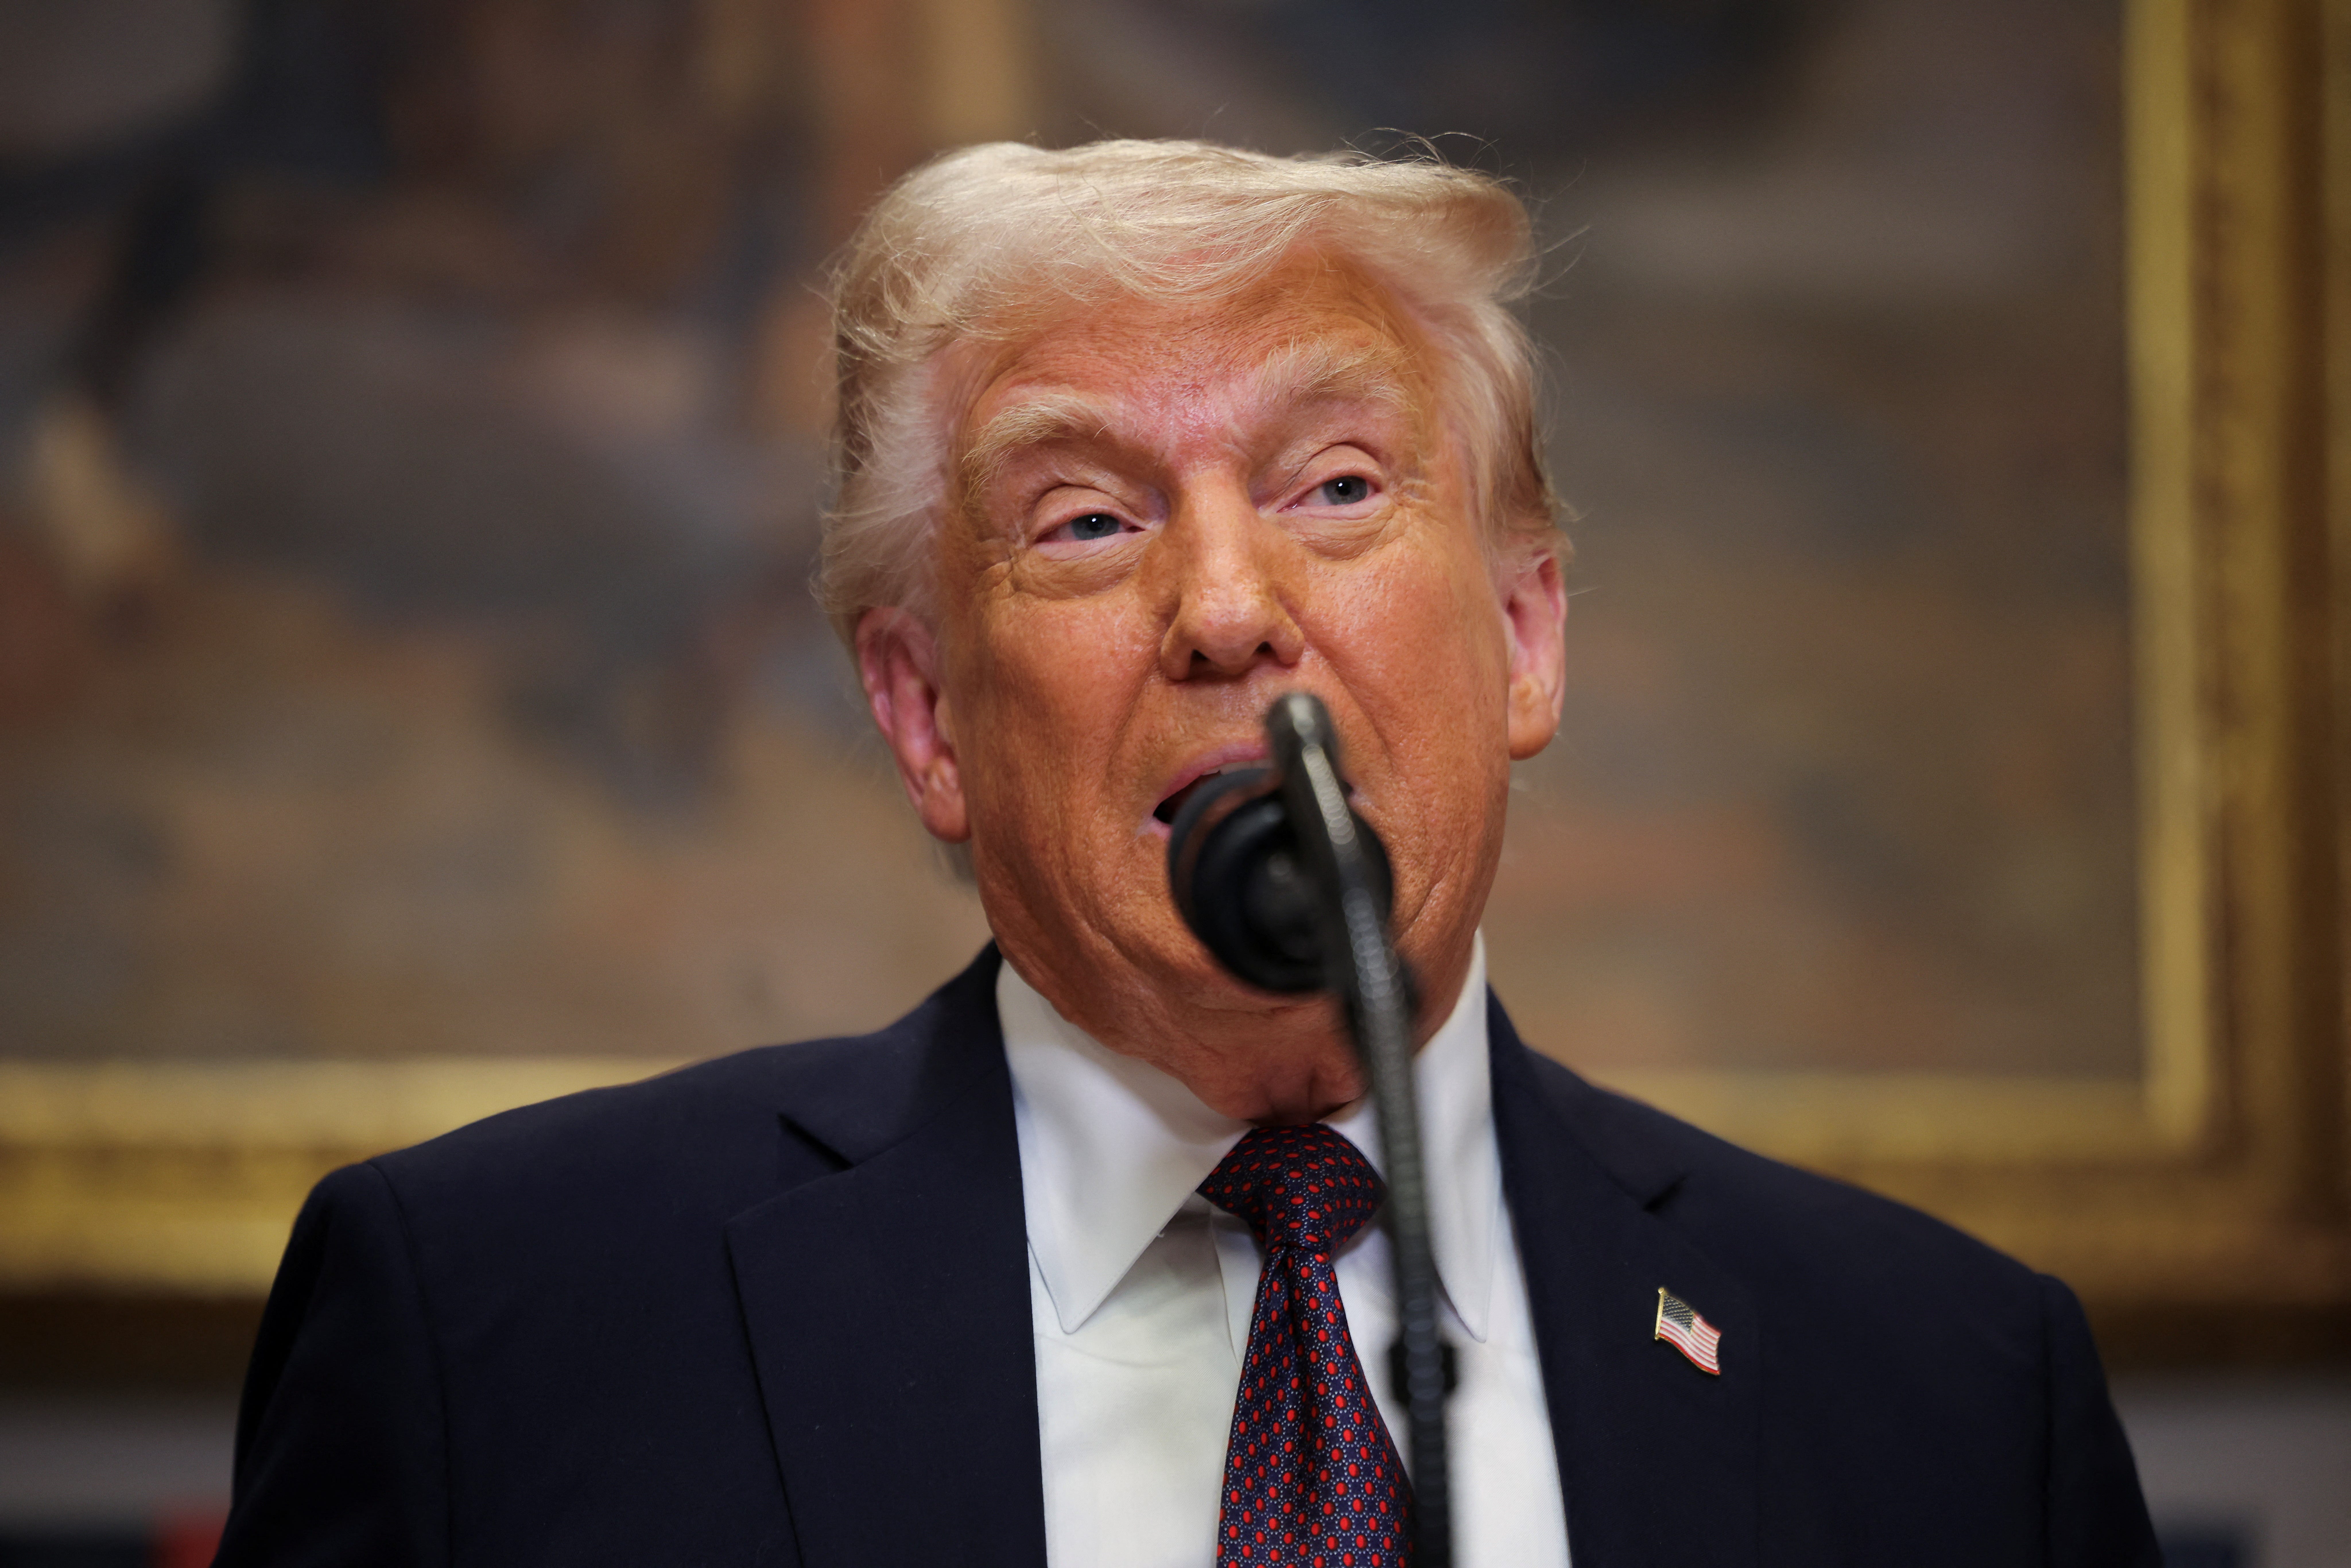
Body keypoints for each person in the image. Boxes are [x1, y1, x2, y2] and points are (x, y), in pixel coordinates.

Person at [213, 140, 2160, 1568]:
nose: (1227, 606)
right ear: (923, 714)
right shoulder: (498, 1327)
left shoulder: (1952, 1396)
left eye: (1335, 485)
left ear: (1527, 636)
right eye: (1080, 521)